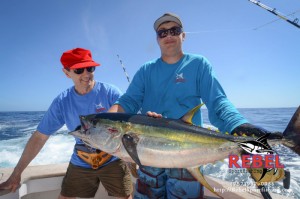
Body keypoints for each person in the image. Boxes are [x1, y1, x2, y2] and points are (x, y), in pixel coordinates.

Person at [108, 13, 269, 199]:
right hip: (147, 150)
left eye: (174, 30)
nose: (168, 36)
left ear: (183, 35)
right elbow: (128, 102)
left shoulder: (198, 64)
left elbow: (217, 101)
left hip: (188, 152)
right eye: (162, 32)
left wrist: (238, 124)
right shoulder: (146, 70)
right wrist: (107, 122)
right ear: (157, 39)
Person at [0, 48, 133, 199]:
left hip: (113, 159)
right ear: (66, 72)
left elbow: (132, 125)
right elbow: (39, 137)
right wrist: (16, 174)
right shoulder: (62, 102)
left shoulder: (111, 92)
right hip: (82, 161)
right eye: (79, 70)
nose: (86, 74)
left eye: (90, 68)